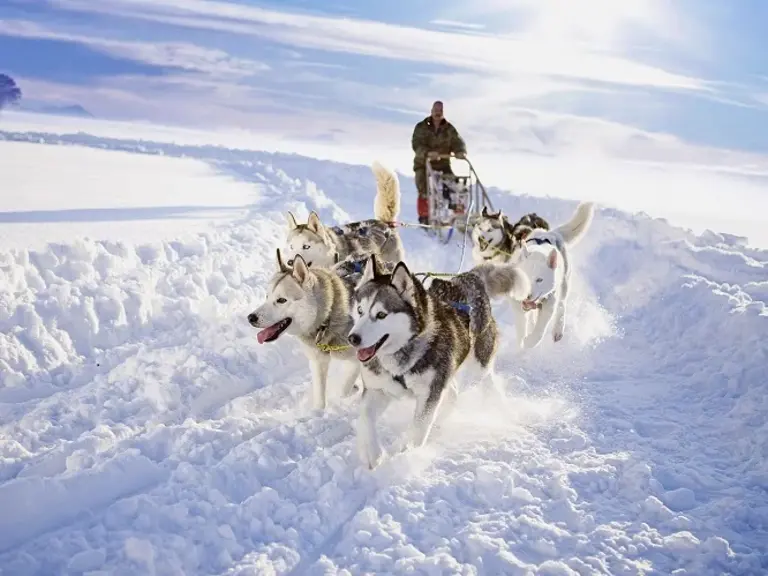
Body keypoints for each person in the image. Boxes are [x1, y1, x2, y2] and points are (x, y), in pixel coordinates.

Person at [411, 100, 467, 224]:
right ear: (431, 111)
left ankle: (456, 213)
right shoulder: (421, 127)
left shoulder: (449, 129)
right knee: (423, 187)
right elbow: (416, 144)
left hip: (443, 164)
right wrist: (427, 153)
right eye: (435, 110)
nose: (437, 113)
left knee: (453, 184)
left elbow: (457, 141)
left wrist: (460, 151)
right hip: (424, 164)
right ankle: (424, 218)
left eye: (440, 111)